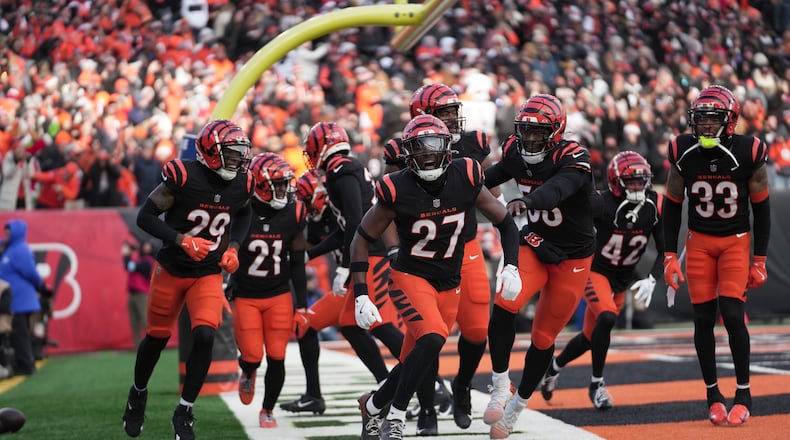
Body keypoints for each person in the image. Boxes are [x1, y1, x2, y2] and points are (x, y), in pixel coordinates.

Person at [354, 115, 521, 440]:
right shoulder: (395, 186)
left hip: (450, 280)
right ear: (408, 154)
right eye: (421, 150)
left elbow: (505, 222)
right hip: (409, 276)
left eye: (433, 149)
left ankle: (372, 406)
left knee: (413, 358)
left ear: (448, 150)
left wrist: (512, 264)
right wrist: (361, 292)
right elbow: (361, 237)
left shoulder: (467, 174)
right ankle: (396, 418)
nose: (428, 156)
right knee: (432, 338)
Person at [122, 119, 253, 440]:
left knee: (206, 336)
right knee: (156, 337)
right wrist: (181, 240)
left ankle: (184, 410)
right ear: (210, 153)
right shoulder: (184, 176)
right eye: (231, 154)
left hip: (207, 272)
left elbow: (244, 213)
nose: (238, 161)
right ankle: (137, 394)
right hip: (172, 269)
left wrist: (234, 247)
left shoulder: (242, 183)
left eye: (240, 155)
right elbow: (145, 217)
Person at [382, 82, 498, 432]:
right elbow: (387, 208)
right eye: (442, 112)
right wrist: (393, 249)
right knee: (426, 335)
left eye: (452, 112)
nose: (450, 119)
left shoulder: (474, 144)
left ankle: (462, 386)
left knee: (477, 331)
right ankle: (426, 409)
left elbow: (491, 191)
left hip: (466, 247)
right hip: (422, 255)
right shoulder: (401, 148)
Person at [482, 94, 596, 439]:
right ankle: (501, 385)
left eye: (538, 132)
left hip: (572, 256)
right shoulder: (516, 149)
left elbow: (558, 190)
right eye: (526, 131)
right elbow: (494, 175)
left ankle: (517, 408)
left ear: (556, 131)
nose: (530, 138)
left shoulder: (573, 156)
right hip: (535, 240)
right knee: (504, 304)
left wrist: (526, 201)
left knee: (544, 336)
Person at [663, 85, 770, 426]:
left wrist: (760, 260)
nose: (706, 126)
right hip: (699, 243)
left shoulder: (749, 151)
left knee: (733, 314)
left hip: (735, 241)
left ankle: (744, 393)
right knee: (702, 320)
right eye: (701, 120)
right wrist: (667, 255)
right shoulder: (682, 150)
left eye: (714, 119)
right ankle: (712, 394)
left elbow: (763, 209)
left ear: (731, 122)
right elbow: (672, 206)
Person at [538, 151, 665, 410]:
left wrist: (653, 276)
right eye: (630, 181)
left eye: (641, 181)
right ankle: (597, 385)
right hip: (595, 271)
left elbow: (666, 248)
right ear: (616, 182)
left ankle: (554, 366)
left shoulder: (655, 204)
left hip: (622, 277)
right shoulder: (602, 204)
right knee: (606, 317)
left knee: (589, 337)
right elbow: (572, 221)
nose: (637, 186)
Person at [301, 122, 404, 389]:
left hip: (372, 252)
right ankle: (387, 384)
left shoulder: (340, 170)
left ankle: (429, 382)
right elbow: (349, 225)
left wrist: (346, 267)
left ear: (322, 147)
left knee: (376, 322)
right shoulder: (343, 168)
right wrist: (311, 254)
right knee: (350, 323)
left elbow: (355, 221)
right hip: (369, 250)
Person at [226, 153, 308, 428]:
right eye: (279, 184)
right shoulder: (240, 210)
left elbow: (297, 262)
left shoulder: (294, 213)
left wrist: (302, 305)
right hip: (246, 295)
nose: (285, 190)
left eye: (286, 184)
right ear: (261, 185)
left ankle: (267, 409)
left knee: (277, 355)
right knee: (252, 356)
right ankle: (248, 371)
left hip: (278, 294)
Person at [0, 220, 43, 376]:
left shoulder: (20, 250)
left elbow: (31, 273)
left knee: (20, 334)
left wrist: (40, 285)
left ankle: (26, 365)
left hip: (20, 301)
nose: (6, 235)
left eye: (9, 232)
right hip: (14, 300)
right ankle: (23, 362)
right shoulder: (10, 248)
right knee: (17, 334)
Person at [122, 239, 156, 348]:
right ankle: (137, 346)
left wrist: (126, 255)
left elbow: (129, 266)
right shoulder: (140, 260)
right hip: (133, 294)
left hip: (142, 295)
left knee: (145, 321)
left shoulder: (147, 261)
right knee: (134, 322)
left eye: (147, 245)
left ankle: (153, 345)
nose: (144, 246)